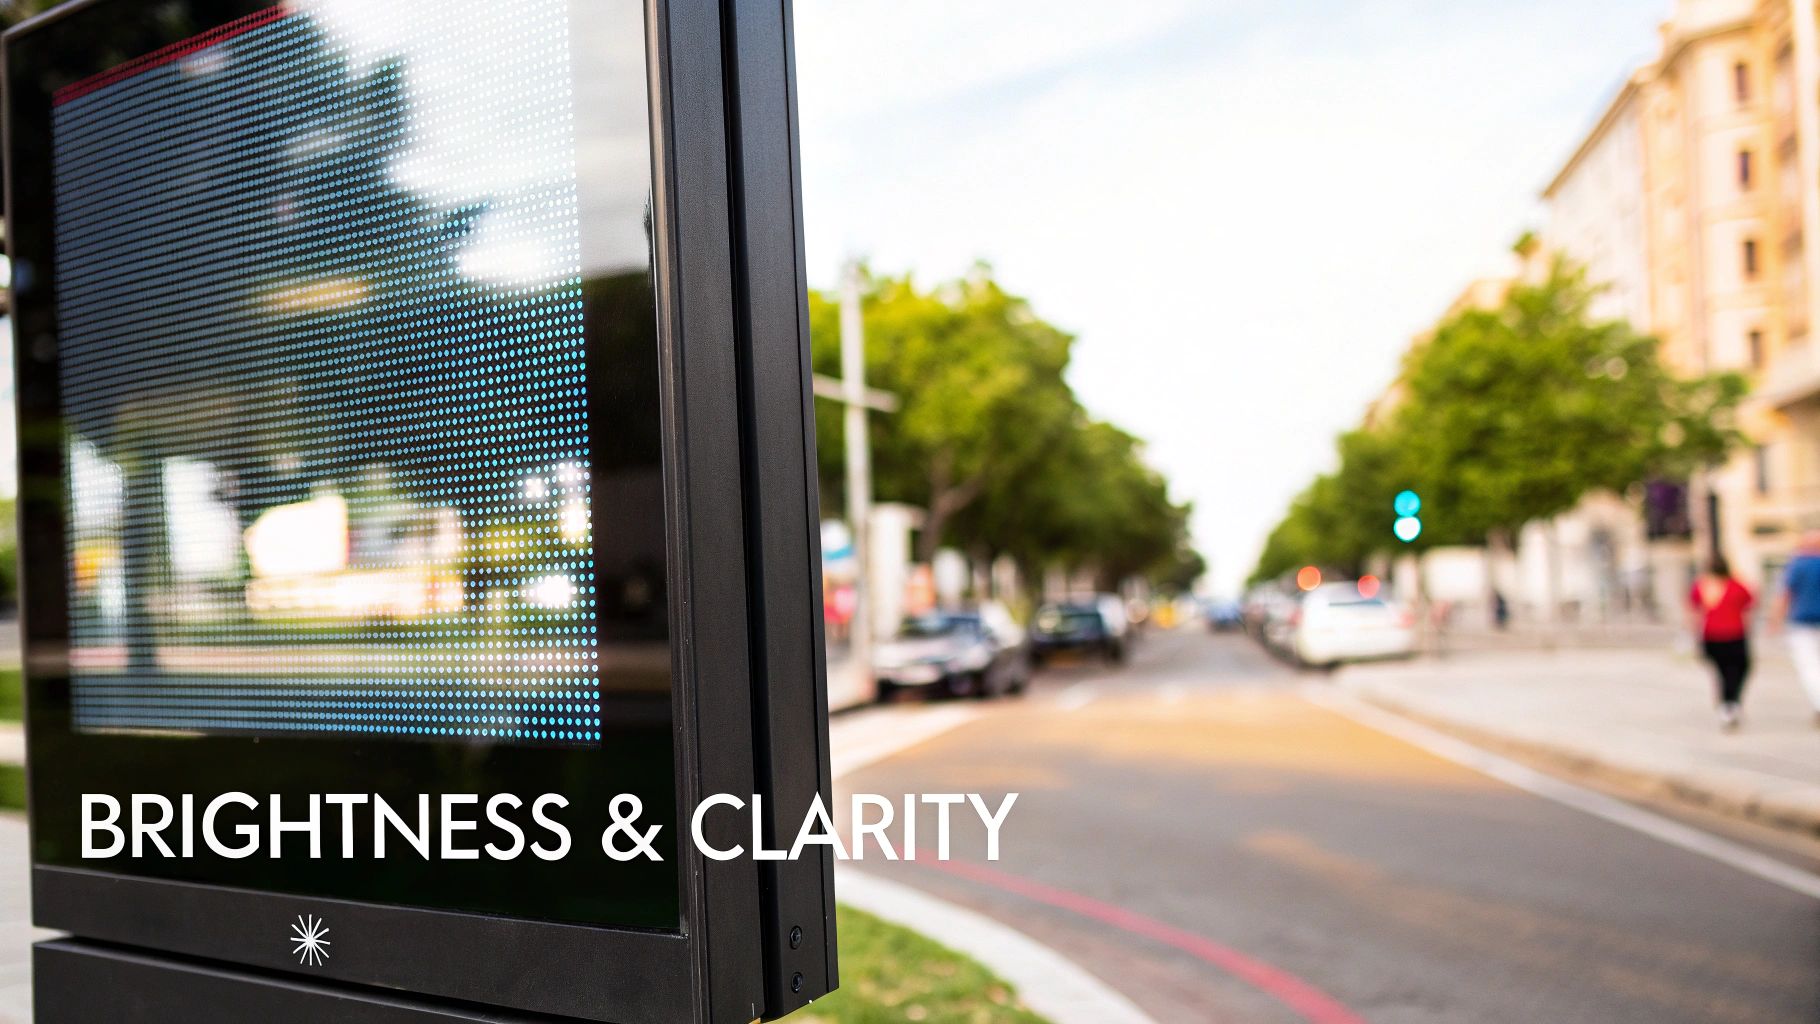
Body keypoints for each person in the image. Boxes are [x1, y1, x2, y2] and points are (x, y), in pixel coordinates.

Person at [1688, 556, 1753, 731]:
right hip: (1734, 635)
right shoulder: (1736, 585)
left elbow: (1695, 613)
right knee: (1739, 670)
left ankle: (1728, 705)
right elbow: (1749, 604)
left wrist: (1695, 636)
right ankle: (1730, 704)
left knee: (1723, 672)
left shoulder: (1703, 586)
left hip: (1711, 636)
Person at [1774, 530, 1820, 725]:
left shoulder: (1797, 564)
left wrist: (1775, 619)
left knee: (1809, 666)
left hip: (1802, 622)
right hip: (1805, 622)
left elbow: (1785, 594)